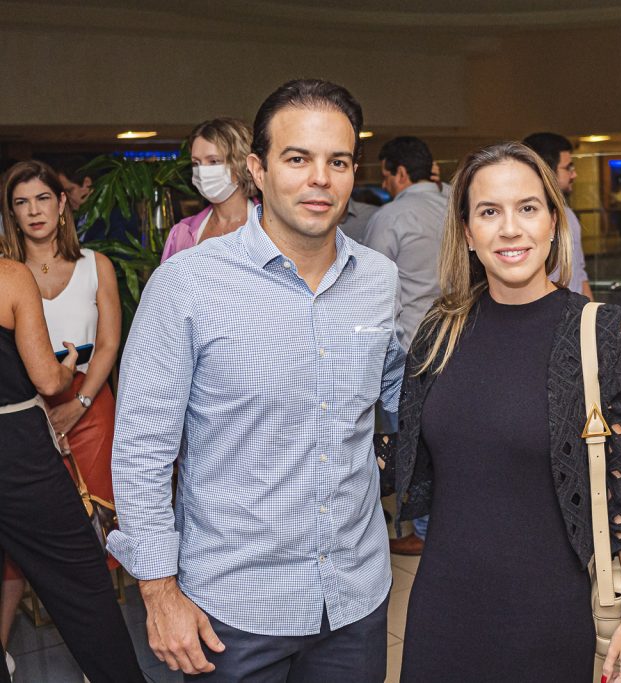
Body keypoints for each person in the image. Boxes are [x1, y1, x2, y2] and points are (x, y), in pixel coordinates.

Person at [109, 79, 404, 681]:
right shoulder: (186, 284)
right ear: (258, 170)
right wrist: (158, 591)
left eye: (338, 162)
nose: (320, 179)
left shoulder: (378, 279)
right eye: (297, 159)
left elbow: (404, 392)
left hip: (354, 601)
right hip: (231, 612)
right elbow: (141, 449)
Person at [387, 141, 621, 682]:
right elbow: (411, 452)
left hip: (545, 615)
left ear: (554, 222)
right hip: (443, 607)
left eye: (528, 208)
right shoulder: (439, 331)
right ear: (467, 232)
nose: (510, 229)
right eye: (489, 212)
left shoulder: (601, 332)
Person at [0, 257, 144, 683]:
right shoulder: (10, 276)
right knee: (79, 580)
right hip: (16, 449)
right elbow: (47, 380)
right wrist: (66, 371)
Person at [0, 160, 123, 654]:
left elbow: (109, 342)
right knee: (19, 545)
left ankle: (102, 650)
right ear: (11, 213)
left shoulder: (96, 264)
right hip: (27, 414)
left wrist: (83, 401)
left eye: (42, 198)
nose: (34, 211)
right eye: (21, 202)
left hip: (90, 404)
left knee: (97, 530)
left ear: (62, 202)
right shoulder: (8, 273)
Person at [363, 135, 447, 556]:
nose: (386, 184)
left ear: (399, 172)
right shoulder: (459, 204)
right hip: (462, 340)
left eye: (386, 175)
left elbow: (372, 287)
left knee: (413, 444)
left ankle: (427, 532)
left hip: (413, 348)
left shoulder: (391, 216)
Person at [160, 117, 260, 262]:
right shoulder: (182, 233)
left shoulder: (270, 226)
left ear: (240, 163)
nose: (202, 171)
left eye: (213, 161)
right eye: (196, 163)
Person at [523, 131, 593, 300]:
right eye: (568, 168)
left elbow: (579, 272)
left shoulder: (568, 214)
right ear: (547, 170)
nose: (574, 174)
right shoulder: (523, 222)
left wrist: (591, 311)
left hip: (575, 312)